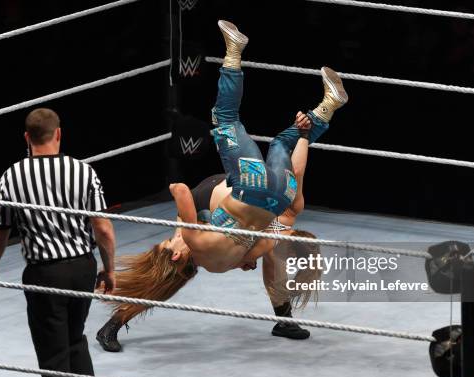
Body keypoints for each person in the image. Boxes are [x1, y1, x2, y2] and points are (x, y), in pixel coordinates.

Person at [95, 20, 348, 352]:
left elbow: (275, 231)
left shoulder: (218, 258)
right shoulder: (191, 237)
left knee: (285, 148)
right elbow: (181, 194)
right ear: (175, 254)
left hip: (274, 195)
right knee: (225, 117)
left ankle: (323, 110)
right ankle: (233, 51)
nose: (168, 240)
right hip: (248, 186)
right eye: (168, 247)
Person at [0, 108, 116, 377]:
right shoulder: (83, 171)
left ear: (27, 138)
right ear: (59, 133)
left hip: (44, 274)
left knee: (54, 355)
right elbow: (103, 230)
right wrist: (109, 270)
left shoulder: (12, 176)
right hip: (83, 267)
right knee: (74, 337)